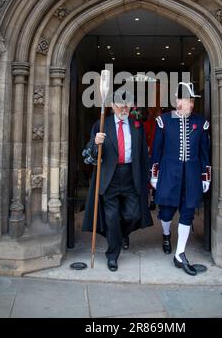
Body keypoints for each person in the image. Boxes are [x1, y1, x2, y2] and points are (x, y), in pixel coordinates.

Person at [82, 90, 153, 272]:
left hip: (131, 176)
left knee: (133, 215)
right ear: (112, 106)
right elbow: (90, 156)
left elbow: (143, 155)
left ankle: (123, 234)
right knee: (111, 218)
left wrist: (148, 179)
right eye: (121, 105)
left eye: (128, 104)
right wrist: (95, 143)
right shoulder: (102, 124)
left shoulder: (137, 126)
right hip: (109, 178)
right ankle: (112, 255)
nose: (125, 108)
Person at [150, 82, 211, 276]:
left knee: (188, 212)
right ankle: (166, 235)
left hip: (192, 175)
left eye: (192, 101)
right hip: (169, 173)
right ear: (178, 101)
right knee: (166, 212)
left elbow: (204, 154)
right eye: (187, 100)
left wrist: (205, 175)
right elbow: (156, 151)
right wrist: (154, 173)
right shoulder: (163, 121)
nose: (191, 104)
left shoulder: (201, 123)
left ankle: (180, 253)